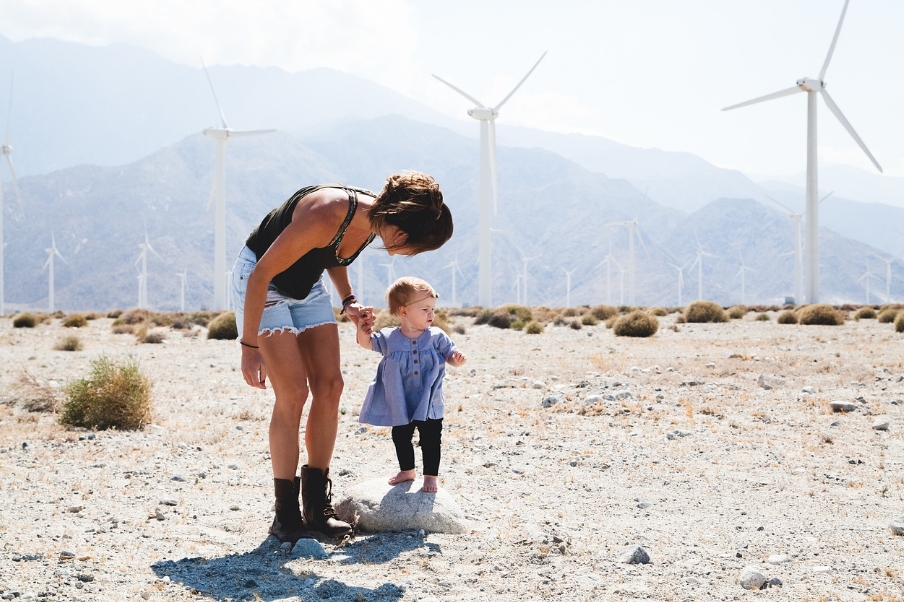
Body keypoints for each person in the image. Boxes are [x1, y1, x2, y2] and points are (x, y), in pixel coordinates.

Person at [232, 172, 453, 543]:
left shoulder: (375, 221)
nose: (412, 253)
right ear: (401, 228)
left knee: (331, 385)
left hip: (306, 286)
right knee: (293, 393)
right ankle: (284, 516)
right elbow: (261, 273)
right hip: (263, 282)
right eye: (416, 245)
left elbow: (334, 253)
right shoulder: (328, 212)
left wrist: (348, 301)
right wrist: (249, 346)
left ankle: (316, 509)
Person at [355, 277, 467, 493]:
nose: (431, 314)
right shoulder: (389, 338)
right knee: (400, 436)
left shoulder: (436, 336)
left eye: (433, 309)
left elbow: (449, 354)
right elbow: (366, 343)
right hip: (401, 401)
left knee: (431, 438)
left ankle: (431, 476)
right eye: (425, 309)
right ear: (403, 312)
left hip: (429, 401)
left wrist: (456, 359)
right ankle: (407, 470)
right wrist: (362, 327)